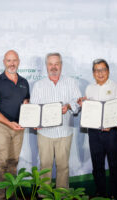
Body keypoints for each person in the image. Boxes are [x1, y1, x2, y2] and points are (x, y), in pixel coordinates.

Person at [30, 52, 81, 189]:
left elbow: (78, 104)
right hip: (45, 133)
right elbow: (34, 109)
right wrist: (35, 122)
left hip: (64, 132)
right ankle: (43, 195)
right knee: (45, 167)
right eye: (50, 64)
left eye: (56, 64)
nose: (54, 67)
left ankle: (62, 195)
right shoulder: (39, 85)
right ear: (46, 66)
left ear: (61, 65)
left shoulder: (71, 82)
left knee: (63, 167)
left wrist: (69, 106)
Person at [0, 50, 30, 200]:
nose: (12, 64)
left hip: (18, 128)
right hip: (1, 127)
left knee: (13, 162)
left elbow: (26, 102)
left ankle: (11, 196)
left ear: (19, 61)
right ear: (4, 62)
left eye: (15, 60)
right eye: (9, 60)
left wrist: (27, 106)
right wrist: (8, 123)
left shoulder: (24, 82)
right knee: (2, 163)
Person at [78, 59, 117, 199]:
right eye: (97, 70)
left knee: (115, 165)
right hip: (94, 132)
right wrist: (83, 104)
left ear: (108, 71)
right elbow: (90, 109)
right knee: (97, 165)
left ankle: (115, 193)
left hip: (112, 132)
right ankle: (100, 192)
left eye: (103, 69)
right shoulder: (89, 88)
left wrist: (111, 123)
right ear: (93, 73)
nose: (100, 73)